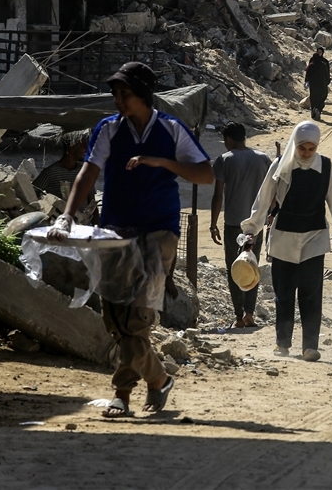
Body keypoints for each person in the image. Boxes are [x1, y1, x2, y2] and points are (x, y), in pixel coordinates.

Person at [47, 61, 214, 419]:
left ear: (143, 95)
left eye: (125, 94)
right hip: (116, 230)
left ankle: (122, 393)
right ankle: (158, 379)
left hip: (159, 232)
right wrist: (67, 214)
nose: (118, 100)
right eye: (115, 94)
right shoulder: (108, 130)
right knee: (114, 315)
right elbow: (88, 174)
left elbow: (205, 174)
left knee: (136, 315)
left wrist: (163, 163)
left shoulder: (171, 130)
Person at [240, 121, 332, 361]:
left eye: (311, 149)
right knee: (285, 293)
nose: (307, 153)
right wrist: (251, 231)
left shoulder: (326, 167)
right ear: (296, 145)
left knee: (311, 294)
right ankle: (283, 343)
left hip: (314, 238)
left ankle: (310, 345)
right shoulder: (280, 166)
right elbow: (264, 199)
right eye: (303, 148)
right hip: (283, 239)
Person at [210, 121, 272, 329]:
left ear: (228, 139)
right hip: (256, 225)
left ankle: (238, 317)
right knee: (251, 265)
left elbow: (218, 196)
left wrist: (212, 224)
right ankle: (249, 314)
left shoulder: (224, 160)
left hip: (234, 225)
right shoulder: (263, 159)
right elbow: (272, 192)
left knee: (234, 268)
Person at [33, 133, 89, 200]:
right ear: (72, 146)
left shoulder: (85, 172)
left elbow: (92, 202)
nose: (86, 149)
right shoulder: (50, 173)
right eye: (83, 145)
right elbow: (31, 194)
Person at [304, 47, 330, 121]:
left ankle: (314, 112)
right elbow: (327, 74)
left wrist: (306, 81)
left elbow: (307, 74)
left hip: (313, 85)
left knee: (313, 98)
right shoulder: (324, 64)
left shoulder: (312, 64)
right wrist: (327, 81)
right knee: (322, 97)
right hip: (322, 84)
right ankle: (318, 109)